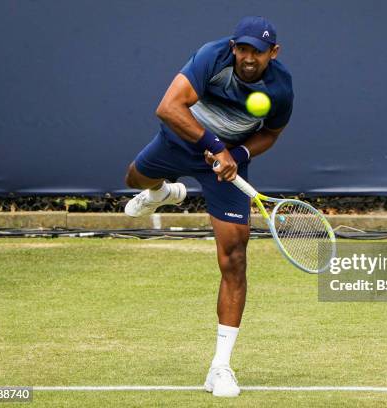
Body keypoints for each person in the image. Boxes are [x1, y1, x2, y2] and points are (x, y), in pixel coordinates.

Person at [123, 16, 293, 397]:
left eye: (258, 51)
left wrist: (237, 152)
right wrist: (215, 146)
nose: (248, 57)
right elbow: (168, 107)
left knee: (234, 256)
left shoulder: (280, 88)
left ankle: (220, 367)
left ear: (273, 53)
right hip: (181, 139)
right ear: (233, 47)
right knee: (133, 180)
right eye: (243, 48)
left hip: (228, 163)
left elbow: (272, 133)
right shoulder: (211, 57)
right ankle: (161, 193)